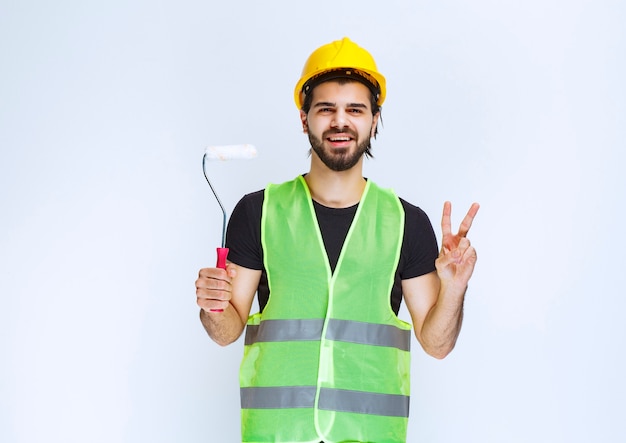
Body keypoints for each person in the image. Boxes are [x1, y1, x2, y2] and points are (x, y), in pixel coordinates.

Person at [195, 37, 479, 443]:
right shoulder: (258, 212)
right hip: (277, 435)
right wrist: (213, 304)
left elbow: (437, 344)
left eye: (355, 110)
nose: (339, 121)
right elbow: (224, 331)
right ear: (304, 118)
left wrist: (453, 289)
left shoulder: (406, 222)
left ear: (374, 120)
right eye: (326, 108)